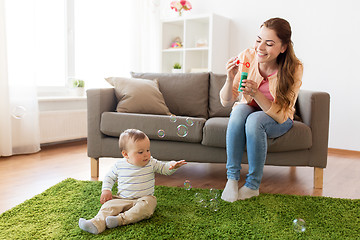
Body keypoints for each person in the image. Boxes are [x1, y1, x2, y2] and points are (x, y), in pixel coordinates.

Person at [219, 18, 303, 202]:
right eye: (258, 40)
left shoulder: (293, 68)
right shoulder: (247, 57)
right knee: (239, 111)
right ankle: (231, 180)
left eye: (269, 43)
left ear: (283, 47)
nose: (260, 47)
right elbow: (226, 101)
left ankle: (252, 185)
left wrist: (257, 94)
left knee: (255, 120)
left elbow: (281, 115)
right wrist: (229, 77)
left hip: (279, 118)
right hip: (250, 110)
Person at [79, 129, 187, 234]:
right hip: (122, 198)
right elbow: (109, 177)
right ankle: (96, 224)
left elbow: (164, 168)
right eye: (140, 152)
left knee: (149, 206)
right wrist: (106, 190)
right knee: (108, 206)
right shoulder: (119, 165)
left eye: (148, 150)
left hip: (144, 199)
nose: (146, 154)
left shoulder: (151, 162)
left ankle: (120, 220)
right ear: (126, 154)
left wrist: (172, 165)